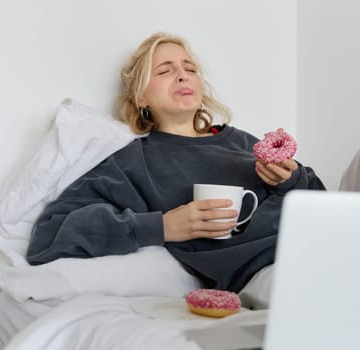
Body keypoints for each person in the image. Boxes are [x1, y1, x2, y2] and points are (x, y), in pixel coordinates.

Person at [26, 32, 326, 292]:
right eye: (165, 70)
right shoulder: (130, 163)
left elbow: (323, 203)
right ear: (141, 97)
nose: (182, 75)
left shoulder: (243, 142)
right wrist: (163, 227)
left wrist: (292, 180)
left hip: (316, 243)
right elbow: (49, 235)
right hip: (265, 272)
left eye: (190, 68)